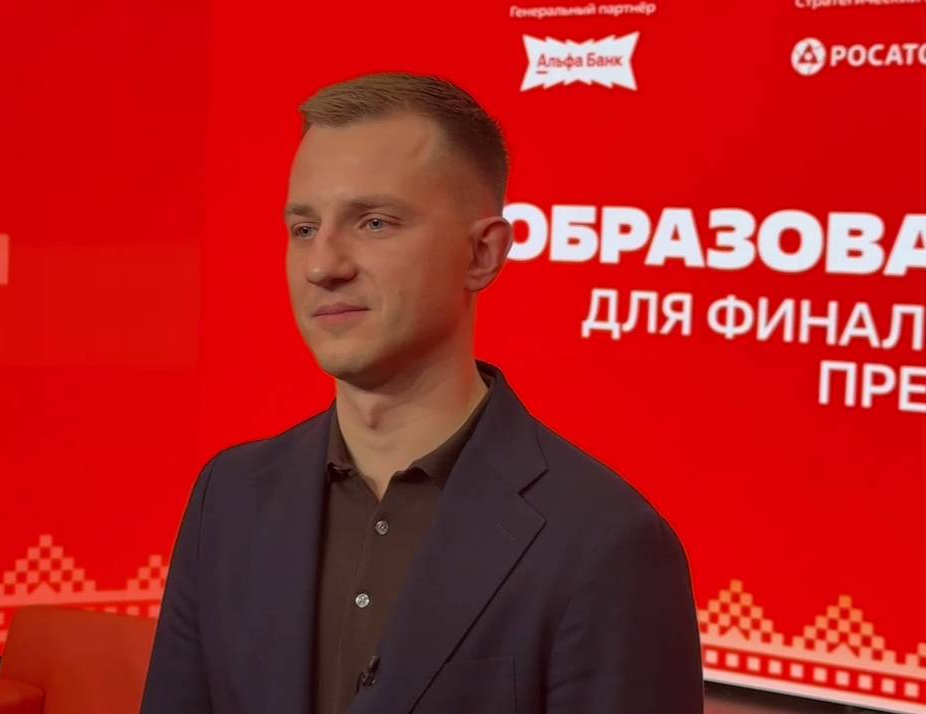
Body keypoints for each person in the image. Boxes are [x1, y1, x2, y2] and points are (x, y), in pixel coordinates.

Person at [141, 71, 703, 714]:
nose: (323, 266)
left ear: (482, 254)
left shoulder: (606, 544)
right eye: (304, 228)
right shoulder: (229, 496)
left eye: (374, 222)